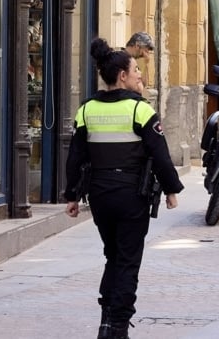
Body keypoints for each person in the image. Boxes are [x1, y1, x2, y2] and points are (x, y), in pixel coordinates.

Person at [64, 39, 183, 339]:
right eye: (135, 70)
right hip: (132, 195)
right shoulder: (139, 110)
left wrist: (72, 195)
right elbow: (160, 154)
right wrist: (171, 189)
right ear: (122, 77)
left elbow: (75, 156)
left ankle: (106, 319)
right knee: (128, 259)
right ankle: (116, 327)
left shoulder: (86, 109)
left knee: (113, 256)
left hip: (100, 197)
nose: (140, 75)